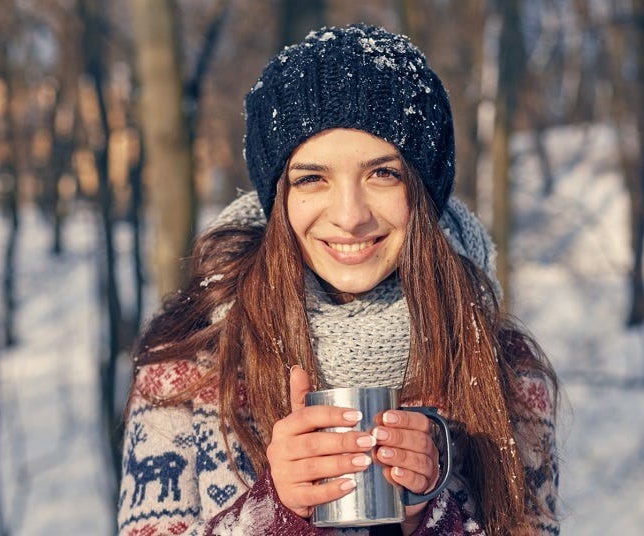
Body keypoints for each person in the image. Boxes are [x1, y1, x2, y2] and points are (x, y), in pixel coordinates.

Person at [117, 24, 559, 536]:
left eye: (383, 174)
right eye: (312, 178)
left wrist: (431, 518)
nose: (349, 216)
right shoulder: (186, 359)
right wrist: (274, 514)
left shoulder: (504, 366)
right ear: (278, 198)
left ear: (424, 189)